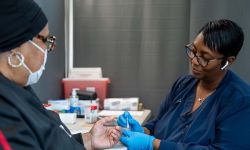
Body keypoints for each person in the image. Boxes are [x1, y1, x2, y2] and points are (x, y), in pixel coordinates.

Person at [0, 0, 121, 150]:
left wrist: (88, 140)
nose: (48, 49)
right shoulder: (5, 112)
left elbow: (49, 140)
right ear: (16, 47)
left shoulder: (20, 88)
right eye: (45, 40)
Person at [118, 19, 250, 150]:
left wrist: (152, 144)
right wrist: (143, 130)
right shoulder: (183, 84)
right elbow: (159, 124)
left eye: (205, 57)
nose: (194, 60)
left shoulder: (240, 100)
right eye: (193, 51)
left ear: (228, 61)